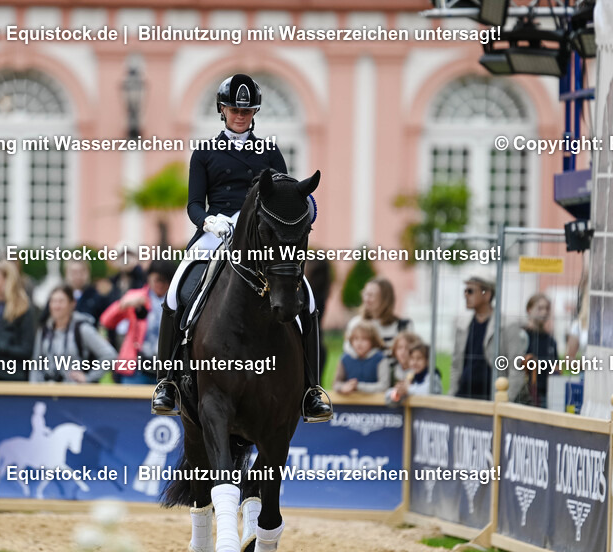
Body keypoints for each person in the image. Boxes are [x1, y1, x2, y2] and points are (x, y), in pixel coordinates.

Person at [150, 73, 331, 422]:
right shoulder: (204, 152)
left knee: (305, 298)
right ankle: (167, 382)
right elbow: (193, 204)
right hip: (215, 231)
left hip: (259, 237)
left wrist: (304, 208)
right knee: (175, 292)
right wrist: (208, 222)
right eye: (234, 109)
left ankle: (311, 389)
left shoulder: (269, 151)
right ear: (222, 110)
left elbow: (284, 195)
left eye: (247, 111)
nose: (240, 116)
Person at [450, 273, 527, 401]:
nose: (465, 295)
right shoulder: (462, 326)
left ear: (487, 294)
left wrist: (505, 400)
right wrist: (452, 396)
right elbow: (455, 365)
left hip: (492, 399)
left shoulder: (507, 326)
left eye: (470, 291)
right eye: (465, 291)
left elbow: (516, 368)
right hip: (463, 397)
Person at [101, 259, 176, 385]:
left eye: (166, 280)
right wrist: (122, 305)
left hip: (167, 371)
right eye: (157, 279)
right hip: (136, 369)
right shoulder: (136, 296)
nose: (161, 284)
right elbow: (106, 321)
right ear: (149, 277)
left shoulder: (176, 302)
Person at [30, 285, 118, 384]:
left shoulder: (82, 329)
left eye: (61, 301)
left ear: (72, 304)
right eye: (53, 301)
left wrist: (88, 377)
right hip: (47, 391)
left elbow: (110, 355)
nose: (56, 306)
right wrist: (34, 387)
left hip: (75, 392)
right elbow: (36, 363)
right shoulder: (44, 331)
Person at [344, 277, 413, 351]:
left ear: (385, 299)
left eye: (371, 295)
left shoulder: (403, 326)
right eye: (365, 294)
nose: (366, 299)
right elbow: (349, 353)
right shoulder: (356, 323)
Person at [523, 293, 559, 408]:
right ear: (529, 310)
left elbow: (555, 369)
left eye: (547, 308)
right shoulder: (521, 336)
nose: (544, 312)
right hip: (524, 395)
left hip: (545, 396)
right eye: (540, 308)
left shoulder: (551, 341)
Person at [334, 321, 389, 395]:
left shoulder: (380, 359)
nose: (359, 343)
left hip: (375, 404)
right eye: (356, 339)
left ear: (372, 341)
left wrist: (358, 387)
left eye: (364, 339)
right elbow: (336, 383)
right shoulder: (345, 359)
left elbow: (384, 386)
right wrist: (342, 387)